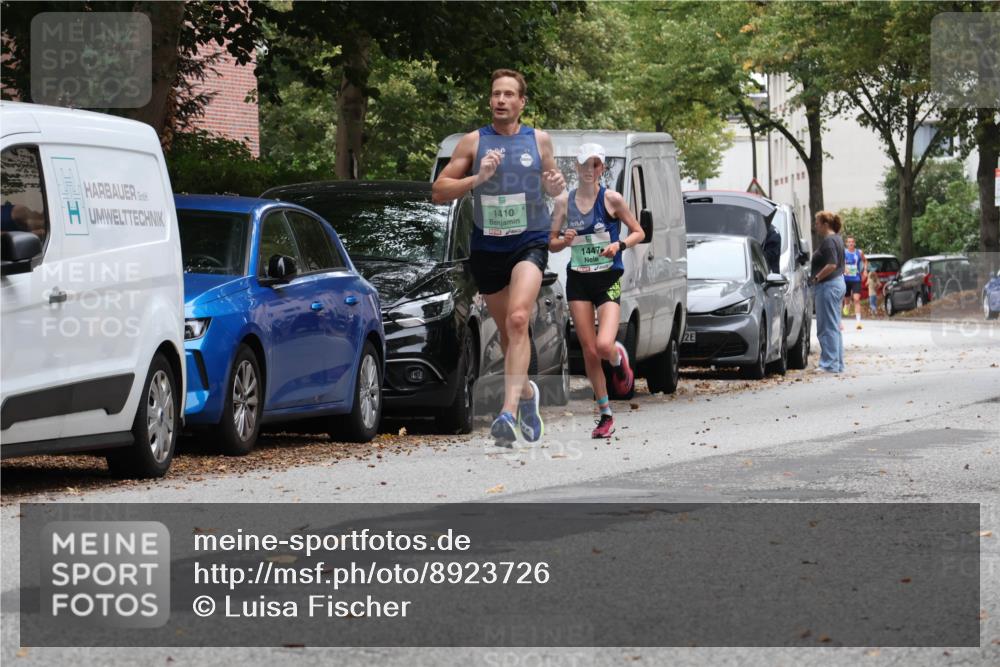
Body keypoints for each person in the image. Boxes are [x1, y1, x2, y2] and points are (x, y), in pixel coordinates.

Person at [432, 69, 565, 447]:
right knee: (508, 332)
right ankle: (527, 395)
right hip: (488, 247)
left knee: (519, 318)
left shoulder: (538, 140)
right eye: (496, 94)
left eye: (508, 94)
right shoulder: (474, 142)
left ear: (522, 102)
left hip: (529, 241)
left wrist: (554, 185)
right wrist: (477, 178)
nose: (501, 100)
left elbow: (555, 188)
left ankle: (507, 412)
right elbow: (439, 191)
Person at [548, 143, 645, 439]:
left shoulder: (612, 199)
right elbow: (551, 242)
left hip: (607, 279)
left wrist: (619, 245)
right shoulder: (564, 202)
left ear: (602, 168)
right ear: (577, 167)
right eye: (585, 164)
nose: (590, 170)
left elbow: (639, 232)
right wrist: (564, 241)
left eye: (596, 164)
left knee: (604, 345)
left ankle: (618, 359)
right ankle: (605, 414)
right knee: (589, 351)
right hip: (578, 280)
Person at [810, 211, 846, 373]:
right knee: (834, 325)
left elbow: (832, 264)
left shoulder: (829, 241)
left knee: (826, 326)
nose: (815, 226)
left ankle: (829, 364)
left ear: (825, 224)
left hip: (828, 286)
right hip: (837, 283)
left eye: (817, 223)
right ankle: (837, 364)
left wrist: (817, 278)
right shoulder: (837, 239)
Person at [842, 236, 867, 329]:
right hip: (846, 279)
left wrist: (865, 270)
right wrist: (843, 268)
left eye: (852, 242)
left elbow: (865, 261)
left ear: (854, 243)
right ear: (846, 244)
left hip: (856, 279)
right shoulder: (843, 253)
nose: (851, 243)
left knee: (856, 299)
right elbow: (838, 263)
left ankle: (858, 322)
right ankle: (846, 305)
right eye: (849, 242)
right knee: (847, 299)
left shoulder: (859, 252)